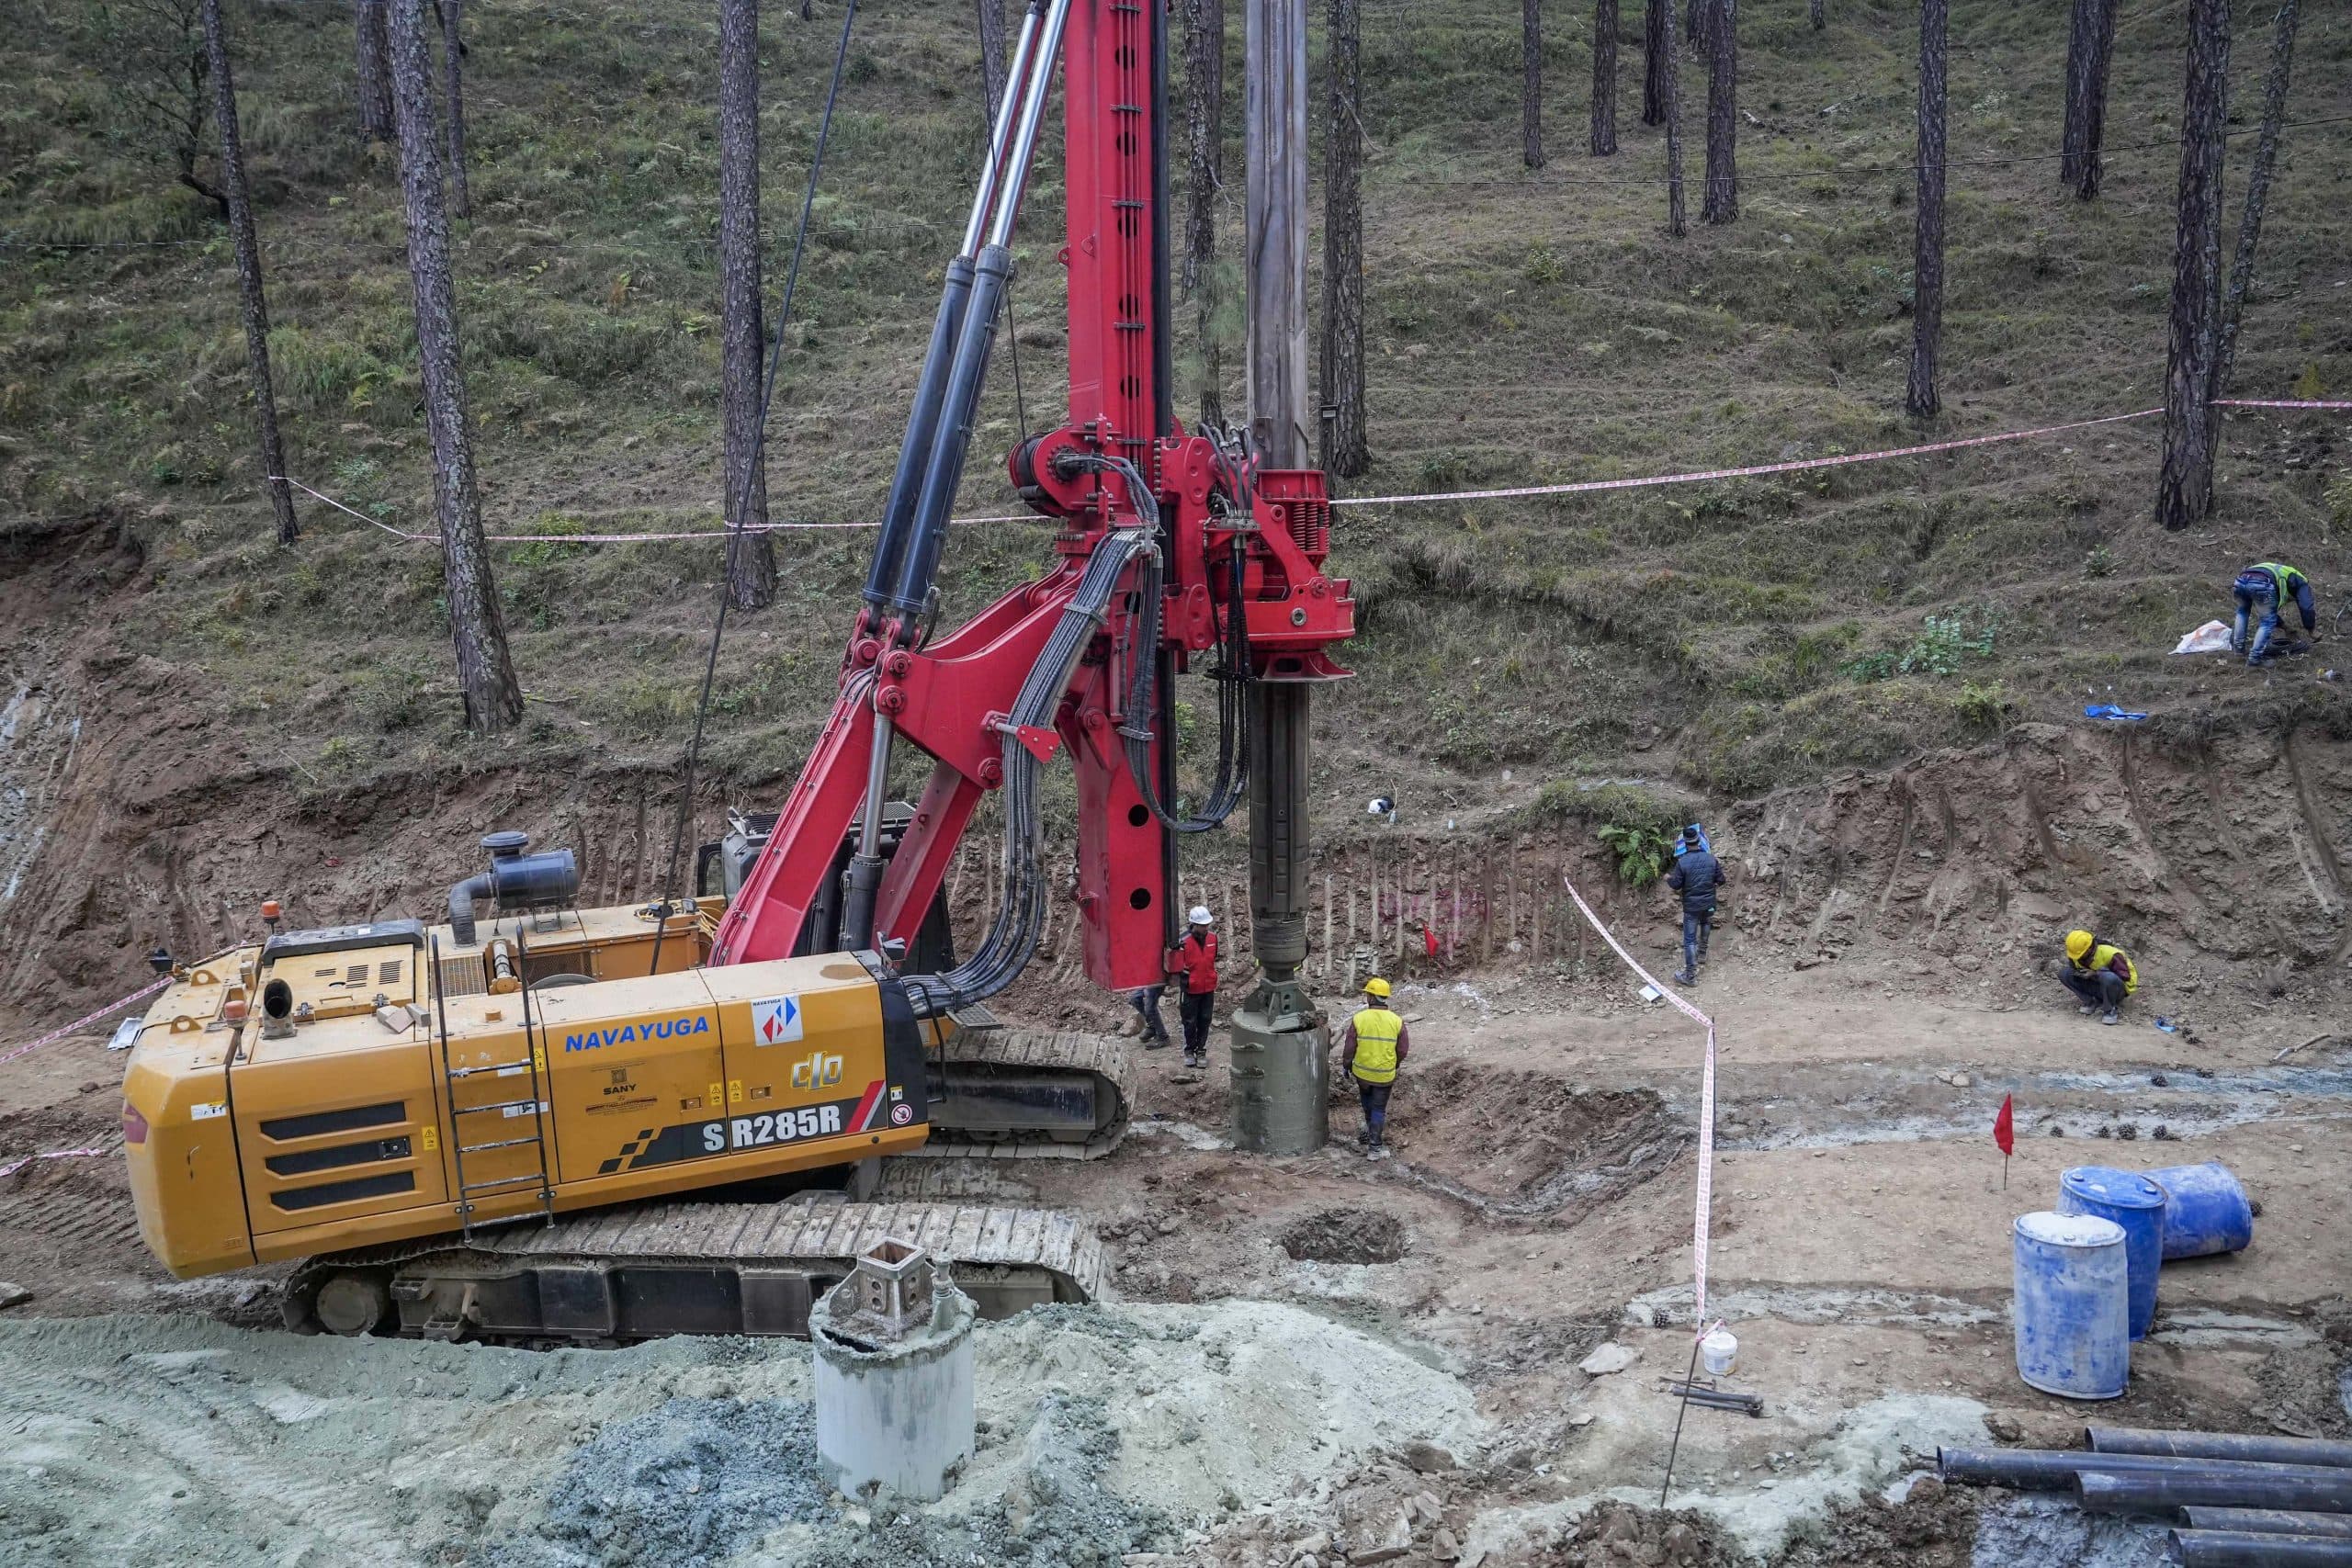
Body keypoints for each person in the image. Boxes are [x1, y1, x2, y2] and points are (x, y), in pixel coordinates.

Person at [1338, 976, 1408, 1156]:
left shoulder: (1359, 1019)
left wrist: (1346, 1065)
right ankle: (1375, 1148)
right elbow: (1402, 1050)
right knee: (1378, 1109)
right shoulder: (1396, 1021)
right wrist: (1394, 1064)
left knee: (1368, 1105)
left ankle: (1370, 1133)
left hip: (1362, 1075)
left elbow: (1350, 1047)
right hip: (1384, 1076)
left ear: (1371, 997)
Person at [1665, 826, 1727, 986]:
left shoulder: (1682, 862)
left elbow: (1676, 885)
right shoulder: (1711, 859)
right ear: (1699, 841)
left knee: (1690, 940)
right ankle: (1702, 953)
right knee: (1706, 923)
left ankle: (1690, 976)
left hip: (1692, 907)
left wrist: (1668, 878)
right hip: (1709, 903)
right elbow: (1721, 880)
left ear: (1685, 843)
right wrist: (1710, 883)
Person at [2231, 560, 2317, 667]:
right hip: (2262, 582)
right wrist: (2311, 629)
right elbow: (2306, 606)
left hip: (2241, 580)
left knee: (2242, 612)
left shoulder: (2281, 576)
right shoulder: (2302, 582)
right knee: (2267, 622)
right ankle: (2254, 659)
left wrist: (2285, 627)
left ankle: (2239, 651)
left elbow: (2270, 609)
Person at [2056, 929, 2136, 1026]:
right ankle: (2092, 1002)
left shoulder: (2111, 954)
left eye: (2080, 955)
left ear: (2089, 948)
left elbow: (2125, 977)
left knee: (2109, 977)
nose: (2077, 958)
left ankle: (2110, 1009)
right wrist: (2080, 974)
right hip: (2098, 986)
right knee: (2065, 974)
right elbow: (2074, 968)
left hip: (2118, 990)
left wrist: (2096, 973)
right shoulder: (2076, 954)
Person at [1170, 906, 1218, 1068]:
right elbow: (1175, 965)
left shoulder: (1213, 939)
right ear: (1194, 924)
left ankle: (1201, 1050)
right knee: (1189, 1021)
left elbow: (1212, 959)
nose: (1206, 928)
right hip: (1190, 989)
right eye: (1202, 925)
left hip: (1208, 987)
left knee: (1205, 1020)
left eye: (1207, 925)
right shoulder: (1182, 942)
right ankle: (1189, 1051)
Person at [1129, 983, 1170, 1050]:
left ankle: (1163, 1037)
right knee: (1134, 998)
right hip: (1147, 982)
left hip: (1156, 981)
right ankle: (1152, 1027)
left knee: (1150, 1008)